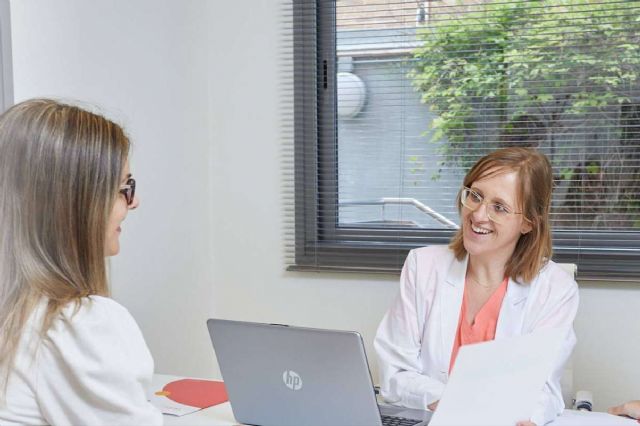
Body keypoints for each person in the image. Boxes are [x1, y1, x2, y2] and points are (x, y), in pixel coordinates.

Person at [374, 147, 579, 426]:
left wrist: (525, 416)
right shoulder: (422, 266)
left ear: (528, 223)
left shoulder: (555, 289)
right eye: (475, 196)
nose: (478, 215)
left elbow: (542, 391)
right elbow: (395, 374)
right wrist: (453, 403)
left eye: (499, 207)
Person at [0, 99, 162, 425]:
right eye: (124, 188)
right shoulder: (75, 324)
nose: (134, 202)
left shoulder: (15, 314)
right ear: (77, 204)